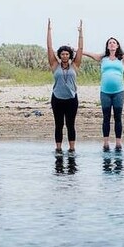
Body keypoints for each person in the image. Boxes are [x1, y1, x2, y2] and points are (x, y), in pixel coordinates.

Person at [46, 19, 84, 153]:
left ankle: (72, 149)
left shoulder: (75, 65)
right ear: (59, 55)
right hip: (57, 98)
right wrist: (49, 30)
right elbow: (49, 48)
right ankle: (58, 148)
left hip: (71, 98)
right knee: (58, 124)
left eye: (67, 54)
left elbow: (80, 49)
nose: (64, 56)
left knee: (70, 124)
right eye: (62, 54)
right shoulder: (55, 65)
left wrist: (80, 33)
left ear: (69, 55)